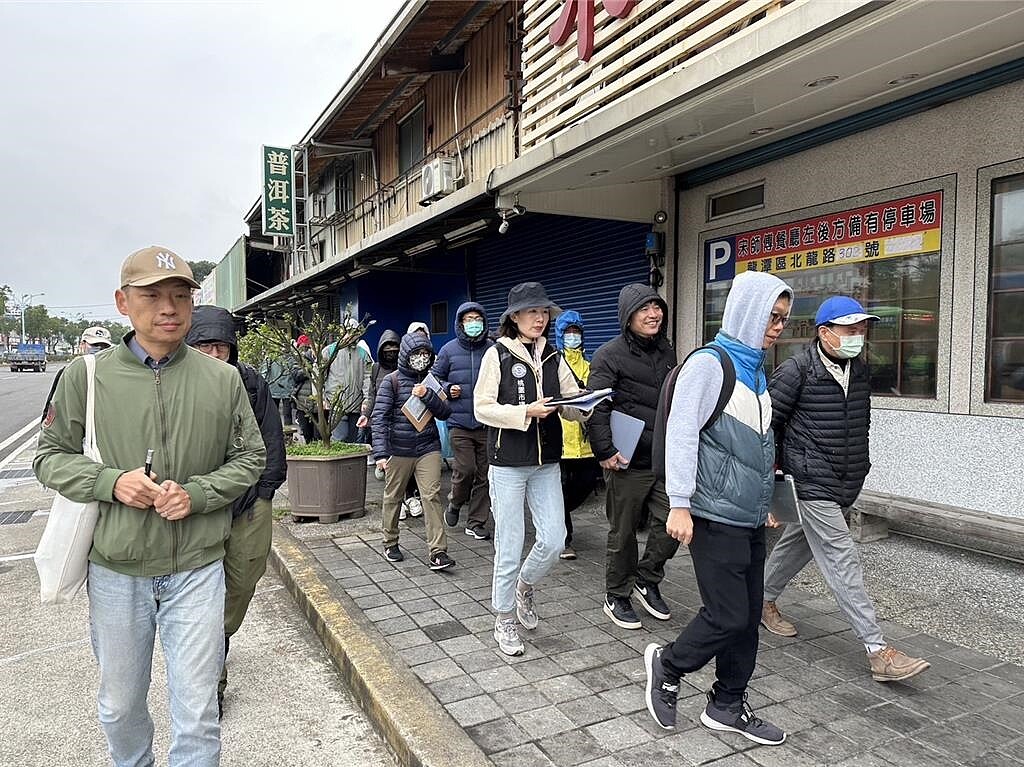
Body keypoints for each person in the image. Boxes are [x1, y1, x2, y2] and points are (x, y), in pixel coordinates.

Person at [34, 246, 266, 766]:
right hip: (117, 570)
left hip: (199, 567)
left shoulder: (222, 379)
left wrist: (199, 494)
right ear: (123, 302)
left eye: (181, 295)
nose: (169, 307)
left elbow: (251, 457)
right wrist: (110, 482)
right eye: (153, 295)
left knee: (198, 711)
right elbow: (48, 459)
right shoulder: (85, 377)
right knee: (119, 707)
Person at [643, 271, 791, 745]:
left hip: (747, 516)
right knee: (727, 615)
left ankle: (728, 703)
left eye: (784, 319)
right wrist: (679, 504)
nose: (777, 327)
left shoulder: (755, 369)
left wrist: (767, 501)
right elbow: (683, 433)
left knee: (748, 618)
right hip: (711, 513)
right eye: (771, 316)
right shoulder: (711, 364)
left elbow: (757, 446)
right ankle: (668, 664)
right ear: (747, 312)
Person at [761, 295, 930, 683]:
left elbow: (860, 424)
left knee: (798, 542)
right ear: (825, 333)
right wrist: (770, 485)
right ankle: (877, 650)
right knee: (842, 557)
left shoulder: (860, 369)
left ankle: (761, 600)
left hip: (846, 479)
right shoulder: (795, 371)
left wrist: (860, 468)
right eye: (850, 329)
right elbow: (768, 427)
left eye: (862, 328)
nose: (858, 335)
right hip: (810, 478)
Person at [473, 282, 588, 657]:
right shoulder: (497, 356)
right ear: (515, 318)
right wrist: (525, 412)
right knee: (509, 543)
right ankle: (503, 618)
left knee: (554, 539)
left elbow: (570, 402)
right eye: (532, 312)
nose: (540, 318)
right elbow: (482, 408)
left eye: (543, 312)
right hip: (507, 464)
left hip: (546, 462)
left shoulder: (555, 356)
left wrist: (587, 405)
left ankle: (524, 585)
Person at [185, 305, 287, 716]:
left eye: (220, 348)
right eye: (204, 347)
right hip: (198, 505)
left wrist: (264, 490)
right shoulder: (177, 387)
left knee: (243, 579)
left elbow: (271, 437)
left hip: (249, 503)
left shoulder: (250, 382)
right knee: (199, 592)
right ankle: (212, 679)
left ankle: (220, 635)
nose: (214, 356)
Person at [587, 284, 679, 629]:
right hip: (626, 459)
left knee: (674, 521)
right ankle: (617, 594)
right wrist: (605, 450)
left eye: (657, 307)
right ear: (628, 317)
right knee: (622, 532)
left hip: (662, 457)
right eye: (644, 309)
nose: (653, 314)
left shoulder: (666, 351)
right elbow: (597, 404)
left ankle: (647, 577)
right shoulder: (608, 355)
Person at [371, 331, 455, 570]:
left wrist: (426, 394)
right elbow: (380, 419)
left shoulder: (431, 380)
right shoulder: (392, 381)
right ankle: (390, 541)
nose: (421, 358)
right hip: (399, 449)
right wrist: (380, 453)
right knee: (393, 496)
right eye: (416, 354)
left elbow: (445, 412)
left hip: (428, 447)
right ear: (406, 354)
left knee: (431, 496)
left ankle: (438, 551)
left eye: (425, 354)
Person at [433, 302, 494, 540]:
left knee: (485, 473)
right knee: (465, 469)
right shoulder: (448, 350)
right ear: (460, 323)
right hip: (458, 422)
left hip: (487, 422)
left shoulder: (492, 349)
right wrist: (448, 388)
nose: (473, 323)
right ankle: (455, 502)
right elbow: (434, 378)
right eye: (468, 319)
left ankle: (477, 522)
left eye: (477, 318)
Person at [554, 310, 600, 560]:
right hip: (560, 440)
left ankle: (554, 514)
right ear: (560, 335)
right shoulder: (552, 364)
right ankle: (565, 539)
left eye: (576, 332)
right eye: (568, 332)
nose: (573, 337)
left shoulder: (590, 365)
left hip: (585, 443)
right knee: (560, 488)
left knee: (584, 485)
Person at [323, 322, 371, 443]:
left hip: (356, 403)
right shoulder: (330, 351)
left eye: (354, 333)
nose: (350, 336)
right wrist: (322, 398)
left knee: (354, 441)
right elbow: (319, 375)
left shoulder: (362, 353)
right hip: (336, 403)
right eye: (348, 331)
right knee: (339, 439)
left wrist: (366, 399)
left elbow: (367, 377)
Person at [364, 330, 401, 480]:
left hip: (400, 418)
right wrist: (366, 415)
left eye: (394, 348)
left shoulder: (404, 368)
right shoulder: (376, 368)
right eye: (387, 349)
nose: (391, 352)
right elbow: (372, 393)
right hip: (381, 418)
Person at [290, 335, 317, 443]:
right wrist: (309, 369)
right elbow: (296, 375)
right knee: (307, 432)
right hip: (303, 402)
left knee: (318, 434)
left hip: (318, 402)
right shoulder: (301, 359)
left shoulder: (323, 358)